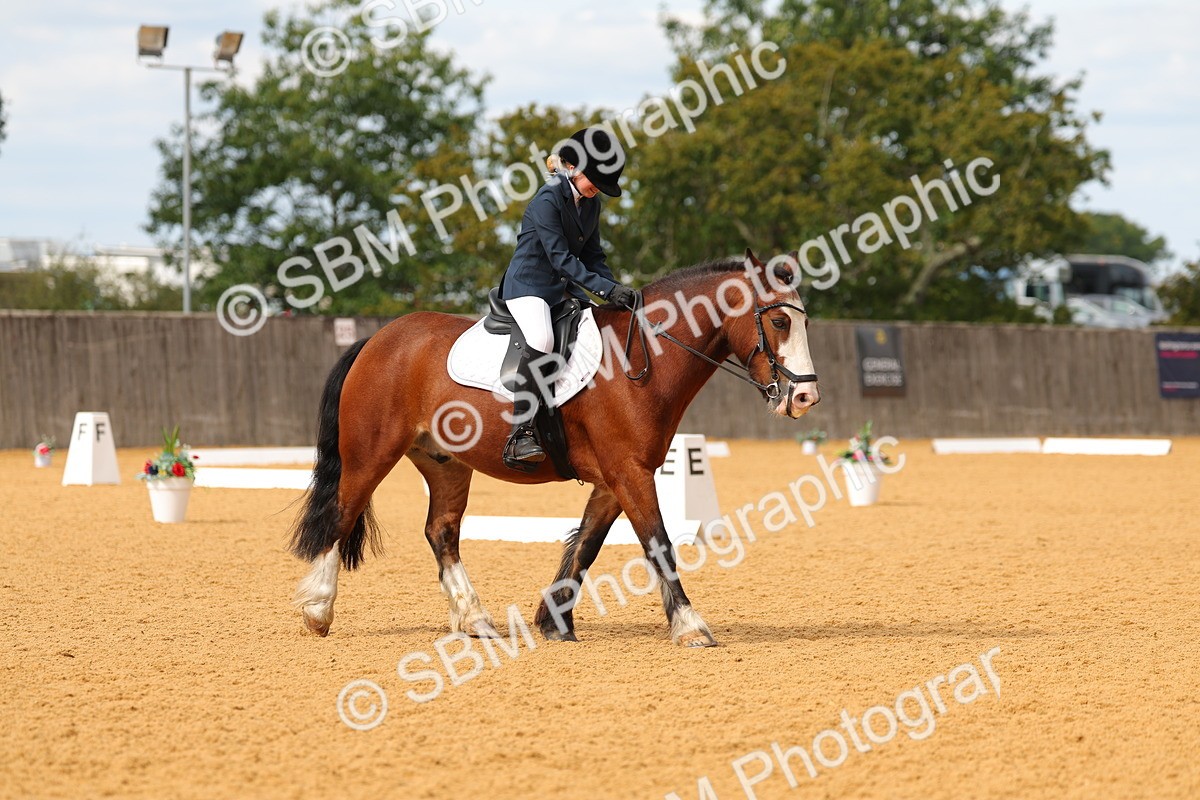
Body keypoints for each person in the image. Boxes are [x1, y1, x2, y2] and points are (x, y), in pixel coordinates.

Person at [498, 127, 639, 470]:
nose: (596, 191)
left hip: (563, 293)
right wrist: (605, 290)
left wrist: (616, 290)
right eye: (595, 181)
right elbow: (562, 259)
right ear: (573, 167)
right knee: (542, 337)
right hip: (529, 288)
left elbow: (593, 256)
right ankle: (521, 432)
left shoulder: (591, 205)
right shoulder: (547, 201)